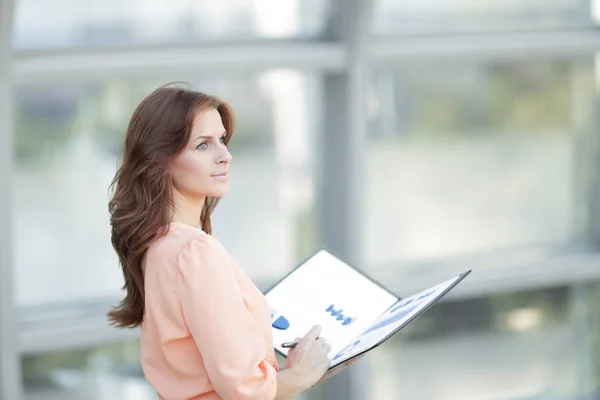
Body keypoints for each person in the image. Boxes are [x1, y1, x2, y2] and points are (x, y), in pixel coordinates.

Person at [106, 84, 340, 400]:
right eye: (203, 145)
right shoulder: (194, 251)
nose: (225, 156)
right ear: (161, 159)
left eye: (222, 140)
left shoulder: (157, 245)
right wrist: (301, 375)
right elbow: (247, 393)